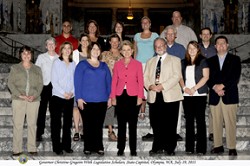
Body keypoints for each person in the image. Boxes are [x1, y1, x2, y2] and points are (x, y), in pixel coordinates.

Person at [144, 37, 183, 156]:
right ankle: (157, 146)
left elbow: (177, 76)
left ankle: (170, 147)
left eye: (161, 45)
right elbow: (145, 77)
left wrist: (162, 86)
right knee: (156, 123)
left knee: (170, 123)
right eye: (156, 46)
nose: (158, 48)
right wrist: (150, 86)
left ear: (165, 46)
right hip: (154, 95)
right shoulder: (150, 61)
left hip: (170, 94)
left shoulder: (175, 60)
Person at [74, 42, 111, 156]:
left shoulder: (104, 65)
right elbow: (77, 82)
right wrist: (79, 98)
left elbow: (109, 83)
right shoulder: (82, 64)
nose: (96, 51)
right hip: (86, 101)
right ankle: (88, 147)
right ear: (90, 50)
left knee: (98, 125)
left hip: (102, 100)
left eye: (98, 49)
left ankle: (99, 146)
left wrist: (109, 97)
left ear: (100, 51)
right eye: (94, 48)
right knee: (88, 125)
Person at [208, 36, 241, 156]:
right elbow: (207, 78)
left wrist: (222, 86)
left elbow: (235, 77)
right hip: (214, 95)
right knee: (216, 122)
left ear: (227, 45)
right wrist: (215, 87)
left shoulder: (235, 59)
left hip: (230, 95)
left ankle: (232, 147)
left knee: (230, 122)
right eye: (218, 44)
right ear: (215, 46)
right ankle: (218, 146)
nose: (221, 45)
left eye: (223, 43)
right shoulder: (210, 61)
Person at [110, 40, 144, 156]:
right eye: (124, 50)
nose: (126, 52)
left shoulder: (138, 64)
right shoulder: (118, 64)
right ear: (121, 51)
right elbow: (114, 81)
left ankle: (133, 149)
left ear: (132, 50)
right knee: (121, 124)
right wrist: (113, 96)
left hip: (133, 96)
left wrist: (140, 97)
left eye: (128, 49)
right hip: (120, 96)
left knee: (133, 124)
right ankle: (121, 148)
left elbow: (141, 81)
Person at [8, 46, 43, 156]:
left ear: (31, 55)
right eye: (24, 53)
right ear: (20, 55)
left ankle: (32, 148)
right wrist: (20, 95)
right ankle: (17, 149)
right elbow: (10, 84)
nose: (26, 55)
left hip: (34, 100)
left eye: (28, 53)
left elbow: (40, 84)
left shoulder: (37, 69)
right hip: (18, 100)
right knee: (18, 124)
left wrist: (34, 95)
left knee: (32, 124)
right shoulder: (15, 68)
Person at [180, 41, 209, 155]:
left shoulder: (203, 61)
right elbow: (180, 77)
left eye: (194, 48)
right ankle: (189, 148)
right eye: (189, 48)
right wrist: (184, 88)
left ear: (198, 49)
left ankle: (201, 148)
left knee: (200, 121)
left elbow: (206, 77)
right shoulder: (183, 62)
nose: (191, 50)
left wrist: (194, 88)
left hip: (199, 94)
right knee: (189, 121)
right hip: (187, 95)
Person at [134, 16, 159, 141]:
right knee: (140, 88)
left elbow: (158, 49)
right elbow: (135, 51)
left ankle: (150, 109)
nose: (145, 24)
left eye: (147, 22)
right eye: (143, 22)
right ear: (141, 24)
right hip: (138, 64)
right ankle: (142, 110)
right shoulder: (137, 36)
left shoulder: (155, 35)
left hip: (151, 64)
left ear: (150, 23)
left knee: (149, 87)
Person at [50, 42, 76, 155]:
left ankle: (66, 146)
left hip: (70, 97)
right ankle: (57, 147)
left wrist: (72, 93)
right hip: (57, 96)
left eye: (69, 48)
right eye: (64, 48)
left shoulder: (73, 63)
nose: (67, 50)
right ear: (61, 50)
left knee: (67, 123)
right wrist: (63, 93)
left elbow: (76, 81)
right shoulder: (56, 62)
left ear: (71, 50)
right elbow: (53, 81)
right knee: (56, 123)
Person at [164, 25, 186, 141]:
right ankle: (164, 130)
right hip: (163, 83)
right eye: (168, 34)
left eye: (173, 34)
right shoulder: (161, 47)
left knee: (177, 109)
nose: (170, 35)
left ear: (175, 35)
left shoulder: (181, 48)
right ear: (165, 35)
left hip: (177, 82)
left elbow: (183, 66)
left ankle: (176, 132)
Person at [35, 37, 59, 142]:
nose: (50, 45)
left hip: (55, 87)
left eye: (52, 43)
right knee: (42, 110)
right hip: (44, 86)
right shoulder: (41, 57)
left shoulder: (59, 57)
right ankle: (39, 132)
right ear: (46, 46)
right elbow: (36, 71)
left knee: (55, 112)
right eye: (48, 44)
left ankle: (55, 134)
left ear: (56, 45)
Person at [101, 34, 123, 141]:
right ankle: (110, 131)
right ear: (109, 42)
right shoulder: (104, 54)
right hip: (108, 84)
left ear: (119, 42)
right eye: (112, 41)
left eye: (116, 41)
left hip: (121, 85)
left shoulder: (123, 55)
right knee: (110, 108)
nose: (114, 43)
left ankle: (122, 130)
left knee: (120, 108)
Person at [198, 27, 217, 142]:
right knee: (198, 110)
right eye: (203, 34)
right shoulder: (196, 48)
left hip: (212, 82)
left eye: (207, 34)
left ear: (211, 36)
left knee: (212, 108)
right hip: (199, 82)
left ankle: (212, 132)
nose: (205, 36)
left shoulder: (215, 49)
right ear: (200, 36)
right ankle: (198, 132)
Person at [72, 33, 90, 141]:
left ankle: (84, 130)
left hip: (88, 85)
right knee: (76, 107)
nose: (84, 42)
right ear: (80, 42)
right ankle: (76, 131)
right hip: (77, 83)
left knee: (86, 108)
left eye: (86, 40)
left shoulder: (92, 53)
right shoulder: (75, 53)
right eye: (82, 40)